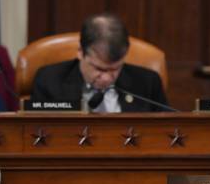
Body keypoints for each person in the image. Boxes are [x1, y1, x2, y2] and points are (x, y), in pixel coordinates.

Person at [31, 13, 169, 112]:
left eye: (115, 68)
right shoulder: (49, 81)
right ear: (80, 52)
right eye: (99, 69)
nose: (107, 78)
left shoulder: (148, 83)